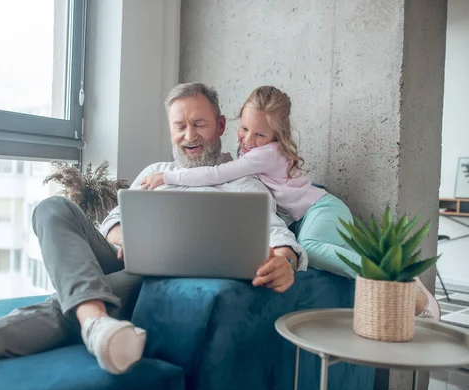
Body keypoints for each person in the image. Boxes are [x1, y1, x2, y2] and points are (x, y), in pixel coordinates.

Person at [0, 82, 306, 390]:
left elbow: (277, 234)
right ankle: (95, 320)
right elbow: (112, 221)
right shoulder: (154, 170)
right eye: (180, 126)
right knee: (51, 209)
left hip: (160, 281)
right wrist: (123, 237)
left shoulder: (243, 181)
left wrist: (286, 259)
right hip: (123, 258)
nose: (189, 136)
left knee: (96, 292)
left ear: (221, 125)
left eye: (199, 124)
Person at [140, 85, 440, 320]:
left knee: (312, 249)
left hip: (321, 210)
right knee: (330, 252)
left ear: (276, 136)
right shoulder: (250, 151)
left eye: (259, 134)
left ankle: (395, 280)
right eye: (244, 129)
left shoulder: (264, 154)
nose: (247, 140)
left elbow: (218, 172)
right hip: (307, 215)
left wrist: (169, 178)